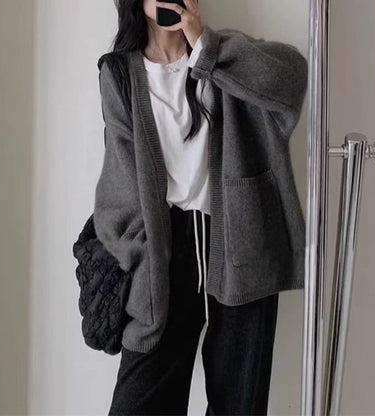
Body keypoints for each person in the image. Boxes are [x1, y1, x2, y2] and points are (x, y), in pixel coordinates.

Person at [93, 0, 308, 414]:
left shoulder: (221, 54)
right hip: (162, 259)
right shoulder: (119, 73)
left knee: (239, 407)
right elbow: (119, 186)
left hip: (239, 247)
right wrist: (140, 263)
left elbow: (292, 77)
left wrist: (205, 47)